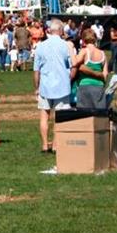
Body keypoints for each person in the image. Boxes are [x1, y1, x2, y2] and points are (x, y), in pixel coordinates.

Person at [34, 19, 72, 156]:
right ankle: (56, 144)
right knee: (59, 117)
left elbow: (36, 70)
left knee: (44, 116)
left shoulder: (40, 46)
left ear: (49, 30)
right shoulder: (66, 45)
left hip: (45, 85)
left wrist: (36, 87)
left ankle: (45, 144)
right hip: (62, 85)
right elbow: (71, 65)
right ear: (61, 31)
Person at [73, 29, 108, 110]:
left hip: (85, 85)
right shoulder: (103, 53)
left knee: (84, 116)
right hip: (99, 86)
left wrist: (71, 50)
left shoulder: (84, 51)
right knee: (100, 116)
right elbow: (105, 74)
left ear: (83, 40)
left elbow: (75, 63)